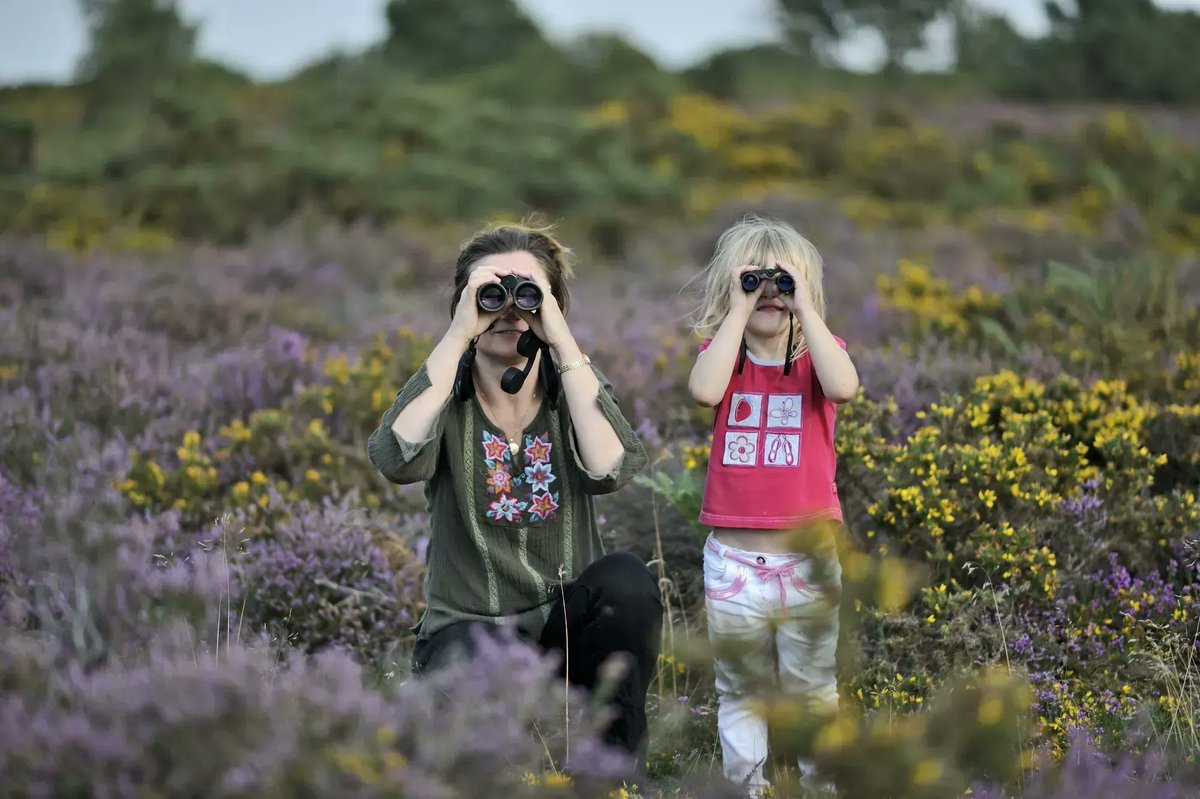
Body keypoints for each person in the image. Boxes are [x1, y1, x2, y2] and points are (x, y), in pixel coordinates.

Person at [368, 222, 660, 759]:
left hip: (568, 629)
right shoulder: (443, 399)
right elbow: (395, 457)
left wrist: (561, 340)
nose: (510, 309)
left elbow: (610, 468)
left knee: (627, 580)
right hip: (472, 631)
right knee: (454, 743)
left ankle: (616, 767)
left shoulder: (570, 389)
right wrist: (458, 336)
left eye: (528, 294)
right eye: (490, 294)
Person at [687, 215, 860, 795]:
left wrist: (806, 309)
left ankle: (820, 787)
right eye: (754, 281)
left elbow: (845, 388)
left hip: (807, 561)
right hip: (734, 562)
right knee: (740, 690)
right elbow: (705, 392)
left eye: (782, 282)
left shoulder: (821, 356)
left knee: (813, 691)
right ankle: (749, 789)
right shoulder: (723, 357)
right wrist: (738, 313)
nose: (769, 293)